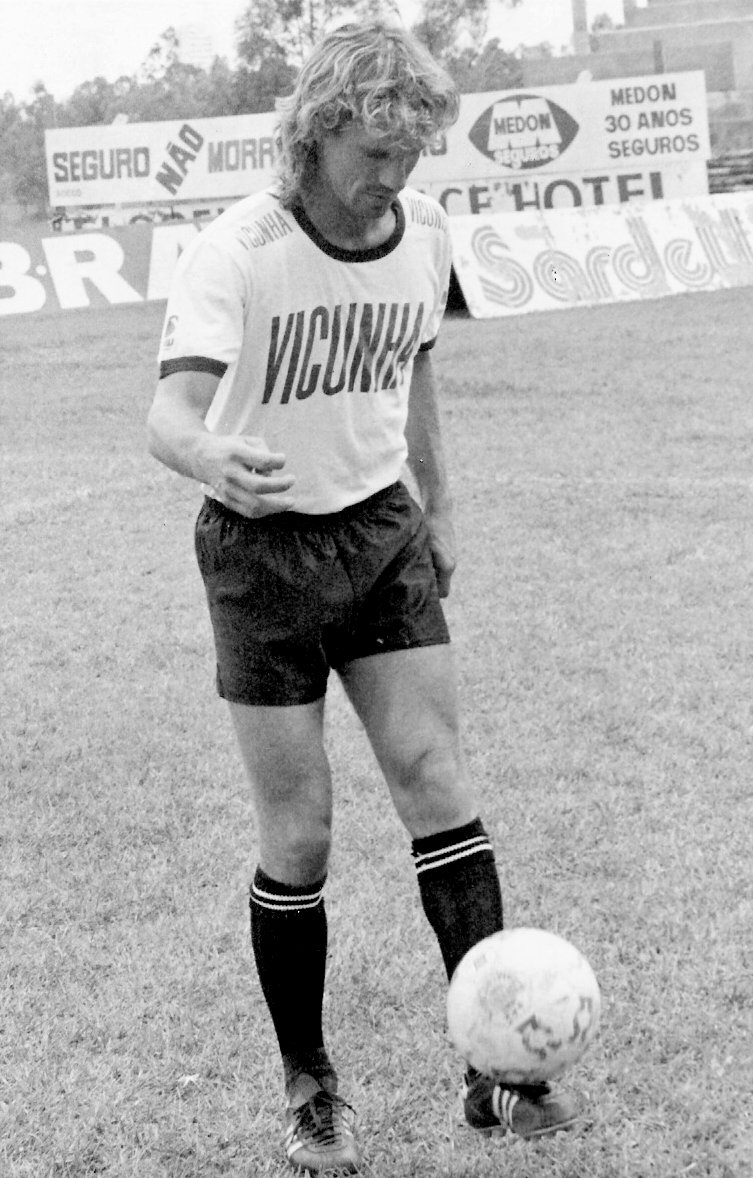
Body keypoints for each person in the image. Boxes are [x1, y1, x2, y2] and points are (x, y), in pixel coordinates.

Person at [147, 21, 578, 1174]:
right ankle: (311, 1088)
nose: (394, 174)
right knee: (302, 830)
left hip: (382, 533)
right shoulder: (240, 250)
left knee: (438, 780)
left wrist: (442, 506)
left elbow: (418, 363)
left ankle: (497, 1068)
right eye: (372, 152)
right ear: (317, 131)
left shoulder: (423, 229)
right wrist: (210, 455)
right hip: (260, 555)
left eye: (411, 151)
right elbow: (169, 416)